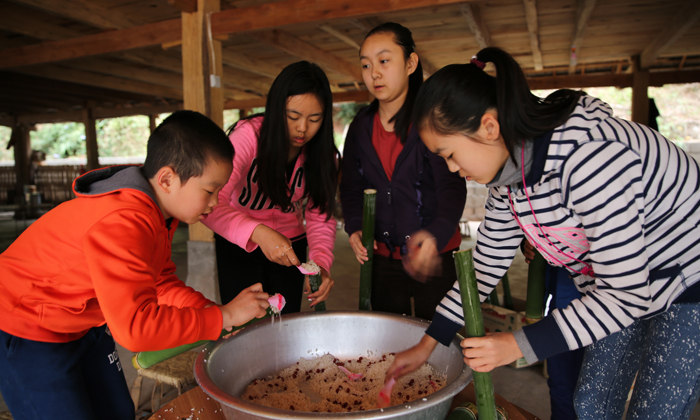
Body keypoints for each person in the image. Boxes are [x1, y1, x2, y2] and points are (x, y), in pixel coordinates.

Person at [387, 47, 700, 419]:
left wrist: (518, 344)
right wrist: (429, 344)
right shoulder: (507, 177)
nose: (453, 169)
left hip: (687, 281)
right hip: (621, 287)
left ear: (489, 126)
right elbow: (486, 264)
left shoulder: (589, 159)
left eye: (451, 154)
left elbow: (626, 294)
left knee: (655, 412)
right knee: (591, 404)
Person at [0, 110, 272, 420]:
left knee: (116, 412)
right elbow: (134, 329)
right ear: (167, 179)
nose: (215, 202)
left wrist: (217, 319)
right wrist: (221, 315)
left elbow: (160, 282)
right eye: (210, 191)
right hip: (26, 326)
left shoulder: (156, 213)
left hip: (82, 321)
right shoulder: (125, 220)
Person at [339, 22, 466, 320]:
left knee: (437, 342)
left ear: (410, 63)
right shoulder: (360, 127)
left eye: (384, 61)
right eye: (366, 65)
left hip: (436, 253)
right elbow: (351, 186)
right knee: (388, 342)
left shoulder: (432, 120)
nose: (375, 73)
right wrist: (356, 226)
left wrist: (436, 235)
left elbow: (452, 187)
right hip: (383, 258)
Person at [203, 61, 339, 314]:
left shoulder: (323, 154)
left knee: (284, 325)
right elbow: (211, 203)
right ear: (276, 109)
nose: (302, 128)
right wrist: (257, 231)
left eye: (315, 119)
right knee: (243, 328)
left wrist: (320, 263)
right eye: (293, 116)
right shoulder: (248, 137)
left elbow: (321, 216)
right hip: (238, 243)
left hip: (291, 247)